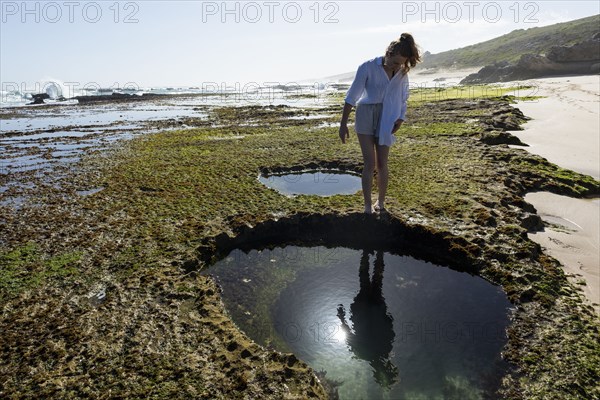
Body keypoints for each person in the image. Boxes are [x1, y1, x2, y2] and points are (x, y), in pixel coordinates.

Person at [339, 33, 421, 214]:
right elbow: (352, 96)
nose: (397, 66)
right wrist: (343, 123)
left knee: (383, 162)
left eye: (401, 63)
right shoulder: (367, 67)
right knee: (369, 163)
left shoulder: (401, 72)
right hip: (366, 114)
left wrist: (401, 117)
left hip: (388, 115)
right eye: (395, 62)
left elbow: (403, 97)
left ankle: (381, 203)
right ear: (388, 53)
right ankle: (367, 205)